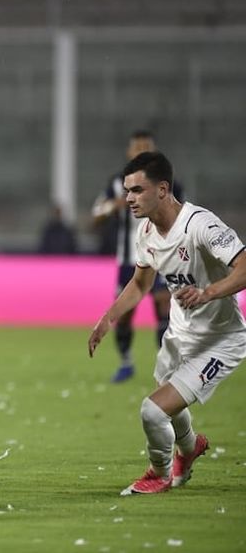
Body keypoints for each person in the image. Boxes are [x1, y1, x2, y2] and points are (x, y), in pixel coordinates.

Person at [88, 151, 246, 495]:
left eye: (137, 190)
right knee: (169, 405)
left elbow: (244, 267)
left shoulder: (200, 225)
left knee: (152, 411)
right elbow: (141, 283)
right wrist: (108, 317)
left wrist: (208, 292)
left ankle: (158, 473)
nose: (129, 198)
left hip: (221, 339)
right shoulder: (146, 231)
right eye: (127, 190)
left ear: (162, 189)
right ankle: (190, 450)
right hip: (180, 335)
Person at [92, 130, 181, 383]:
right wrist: (113, 207)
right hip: (128, 258)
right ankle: (126, 362)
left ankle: (168, 364)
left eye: (146, 146)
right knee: (126, 311)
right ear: (130, 152)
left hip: (161, 253)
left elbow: (180, 212)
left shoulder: (167, 180)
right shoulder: (116, 183)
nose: (141, 150)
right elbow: (96, 214)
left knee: (163, 303)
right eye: (137, 146)